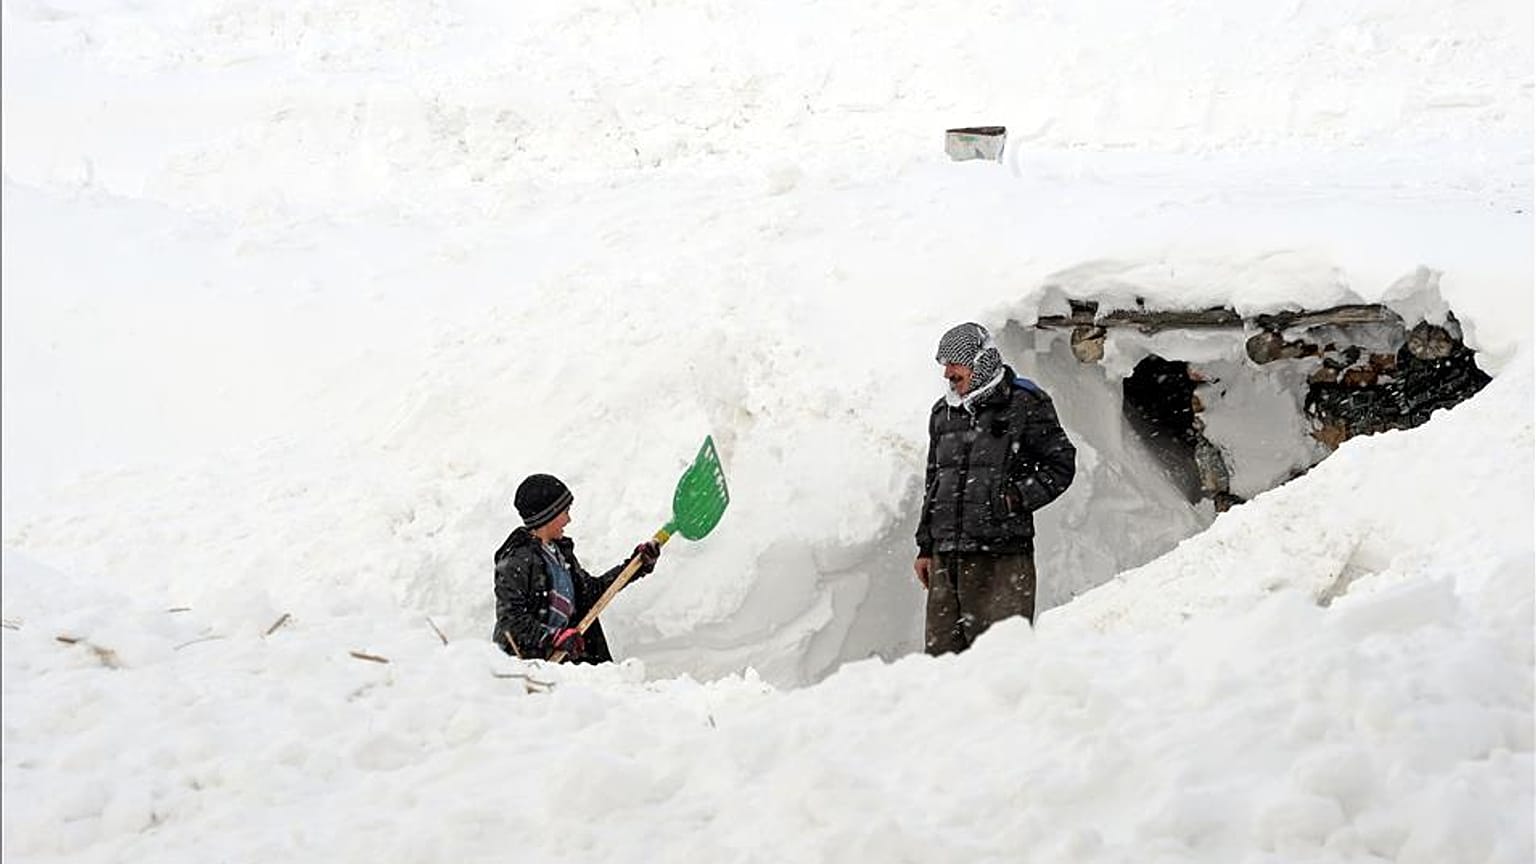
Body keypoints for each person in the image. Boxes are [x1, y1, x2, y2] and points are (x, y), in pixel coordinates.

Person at [914, 322, 1077, 655]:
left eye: (954, 363)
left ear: (981, 360)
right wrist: (926, 546)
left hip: (1001, 558)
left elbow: (1060, 466)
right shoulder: (943, 412)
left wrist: (1012, 499)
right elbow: (935, 481)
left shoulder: (1025, 402)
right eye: (944, 365)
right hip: (948, 558)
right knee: (940, 665)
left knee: (1000, 661)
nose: (948, 373)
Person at [493, 473, 661, 663]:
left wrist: (636, 565)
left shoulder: (560, 553)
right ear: (548, 515)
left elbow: (591, 592)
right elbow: (510, 620)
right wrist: (552, 637)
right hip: (531, 671)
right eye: (565, 512)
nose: (568, 519)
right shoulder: (517, 560)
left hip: (565, 665)